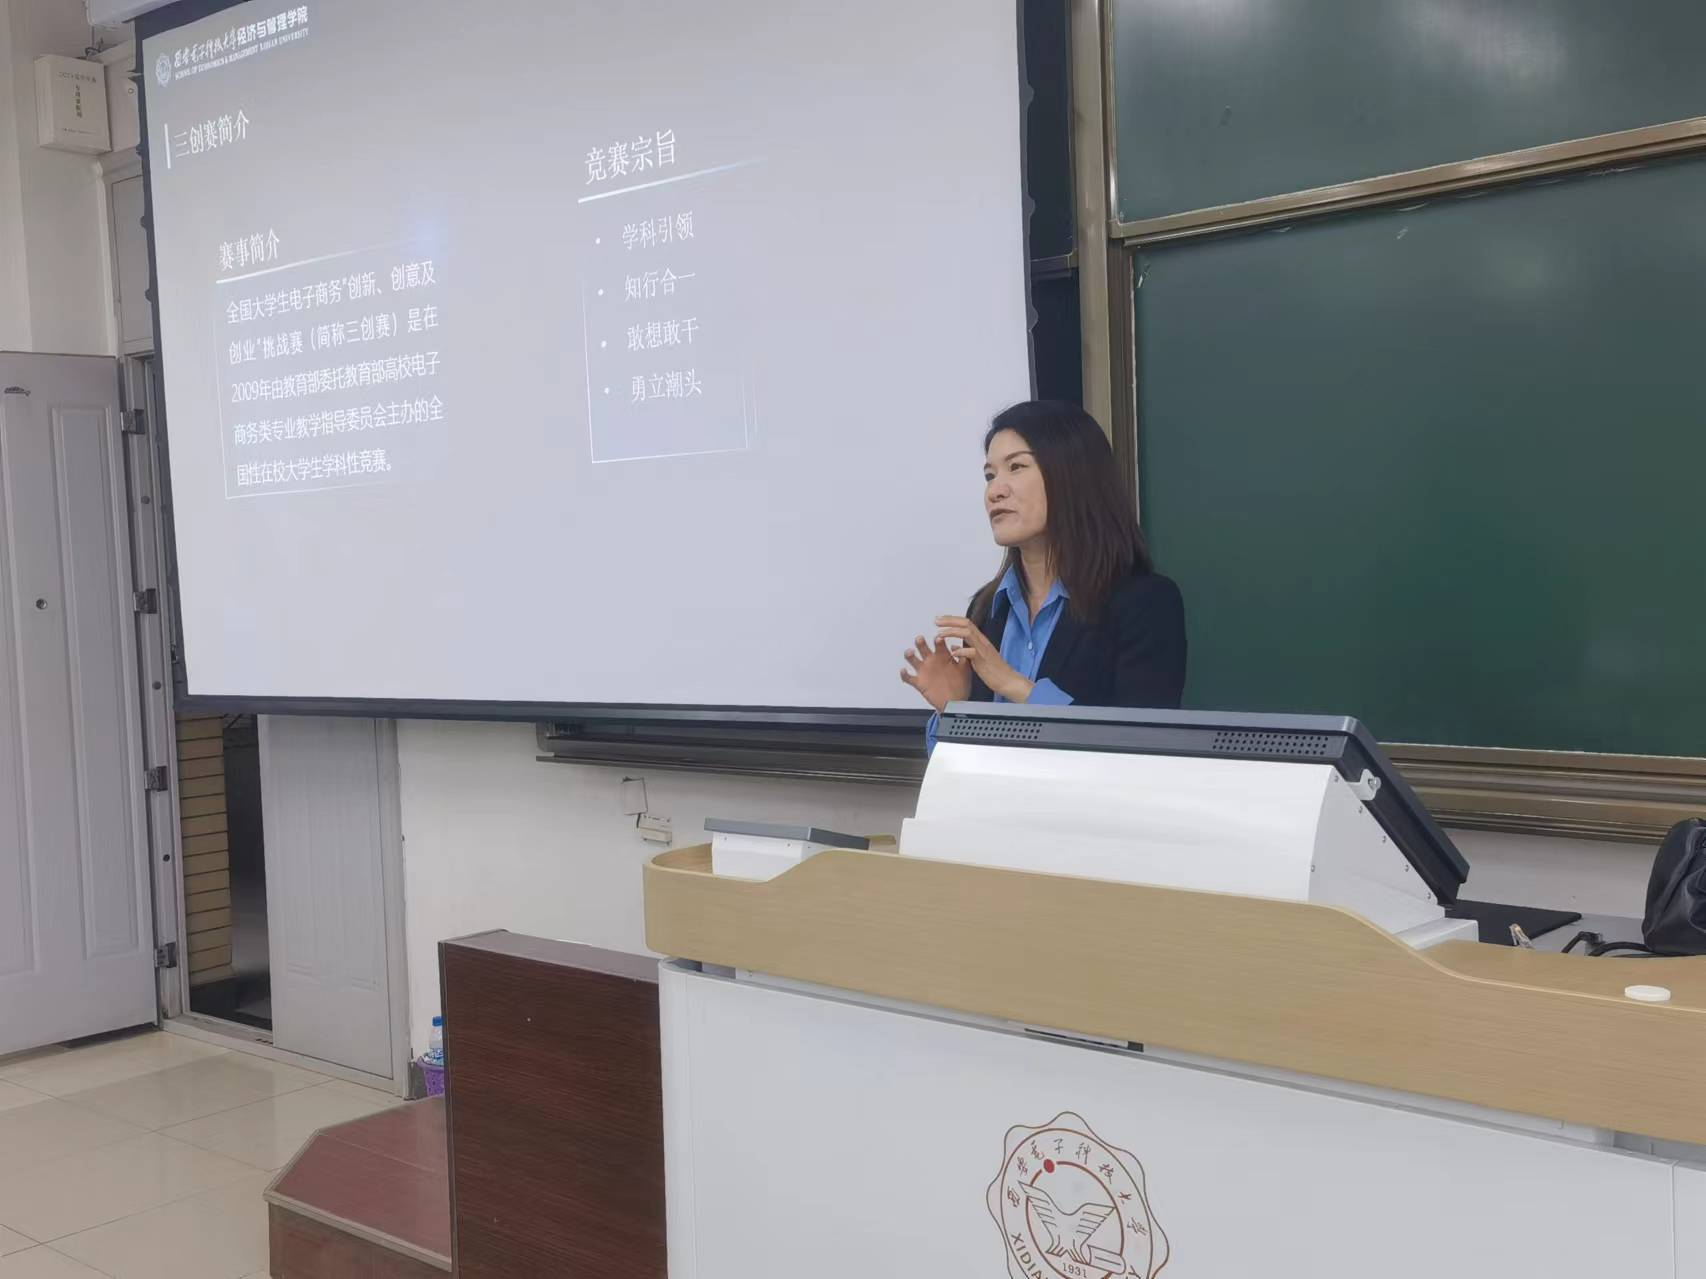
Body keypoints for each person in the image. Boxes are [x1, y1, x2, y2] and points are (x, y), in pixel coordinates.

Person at [901, 400, 1185, 741]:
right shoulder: (987, 609)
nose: (995, 491)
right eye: (990, 475)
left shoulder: (1145, 603)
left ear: (1072, 474)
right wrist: (954, 710)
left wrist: (1014, 686)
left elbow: (1142, 745)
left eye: (1016, 467)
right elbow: (963, 763)